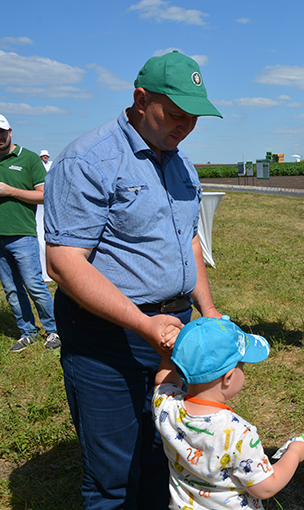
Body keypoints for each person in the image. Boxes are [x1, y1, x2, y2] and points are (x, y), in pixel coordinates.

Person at [44, 51, 223, 510]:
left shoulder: (180, 165)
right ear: (140, 100)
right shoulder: (90, 160)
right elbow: (64, 264)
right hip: (107, 339)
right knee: (114, 473)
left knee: (164, 451)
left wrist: (208, 309)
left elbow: (190, 243)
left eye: (193, 117)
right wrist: (143, 325)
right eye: (175, 114)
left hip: (174, 331)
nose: (185, 126)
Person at [153, 316, 304, 509]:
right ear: (228, 377)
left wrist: (167, 357)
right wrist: (295, 453)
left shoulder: (166, 406)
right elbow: (265, 488)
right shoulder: (238, 433)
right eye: (242, 366)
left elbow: (163, 383)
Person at [0, 113, 59, 352]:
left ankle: (54, 330)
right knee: (11, 289)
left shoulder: (29, 159)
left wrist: (9, 191)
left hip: (22, 233)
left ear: (10, 132)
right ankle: (27, 332)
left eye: (1, 132)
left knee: (34, 284)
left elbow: (45, 195)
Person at [36, 150, 52, 282]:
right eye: (43, 156)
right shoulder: (37, 165)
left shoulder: (50, 165)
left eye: (47, 156)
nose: (45, 157)